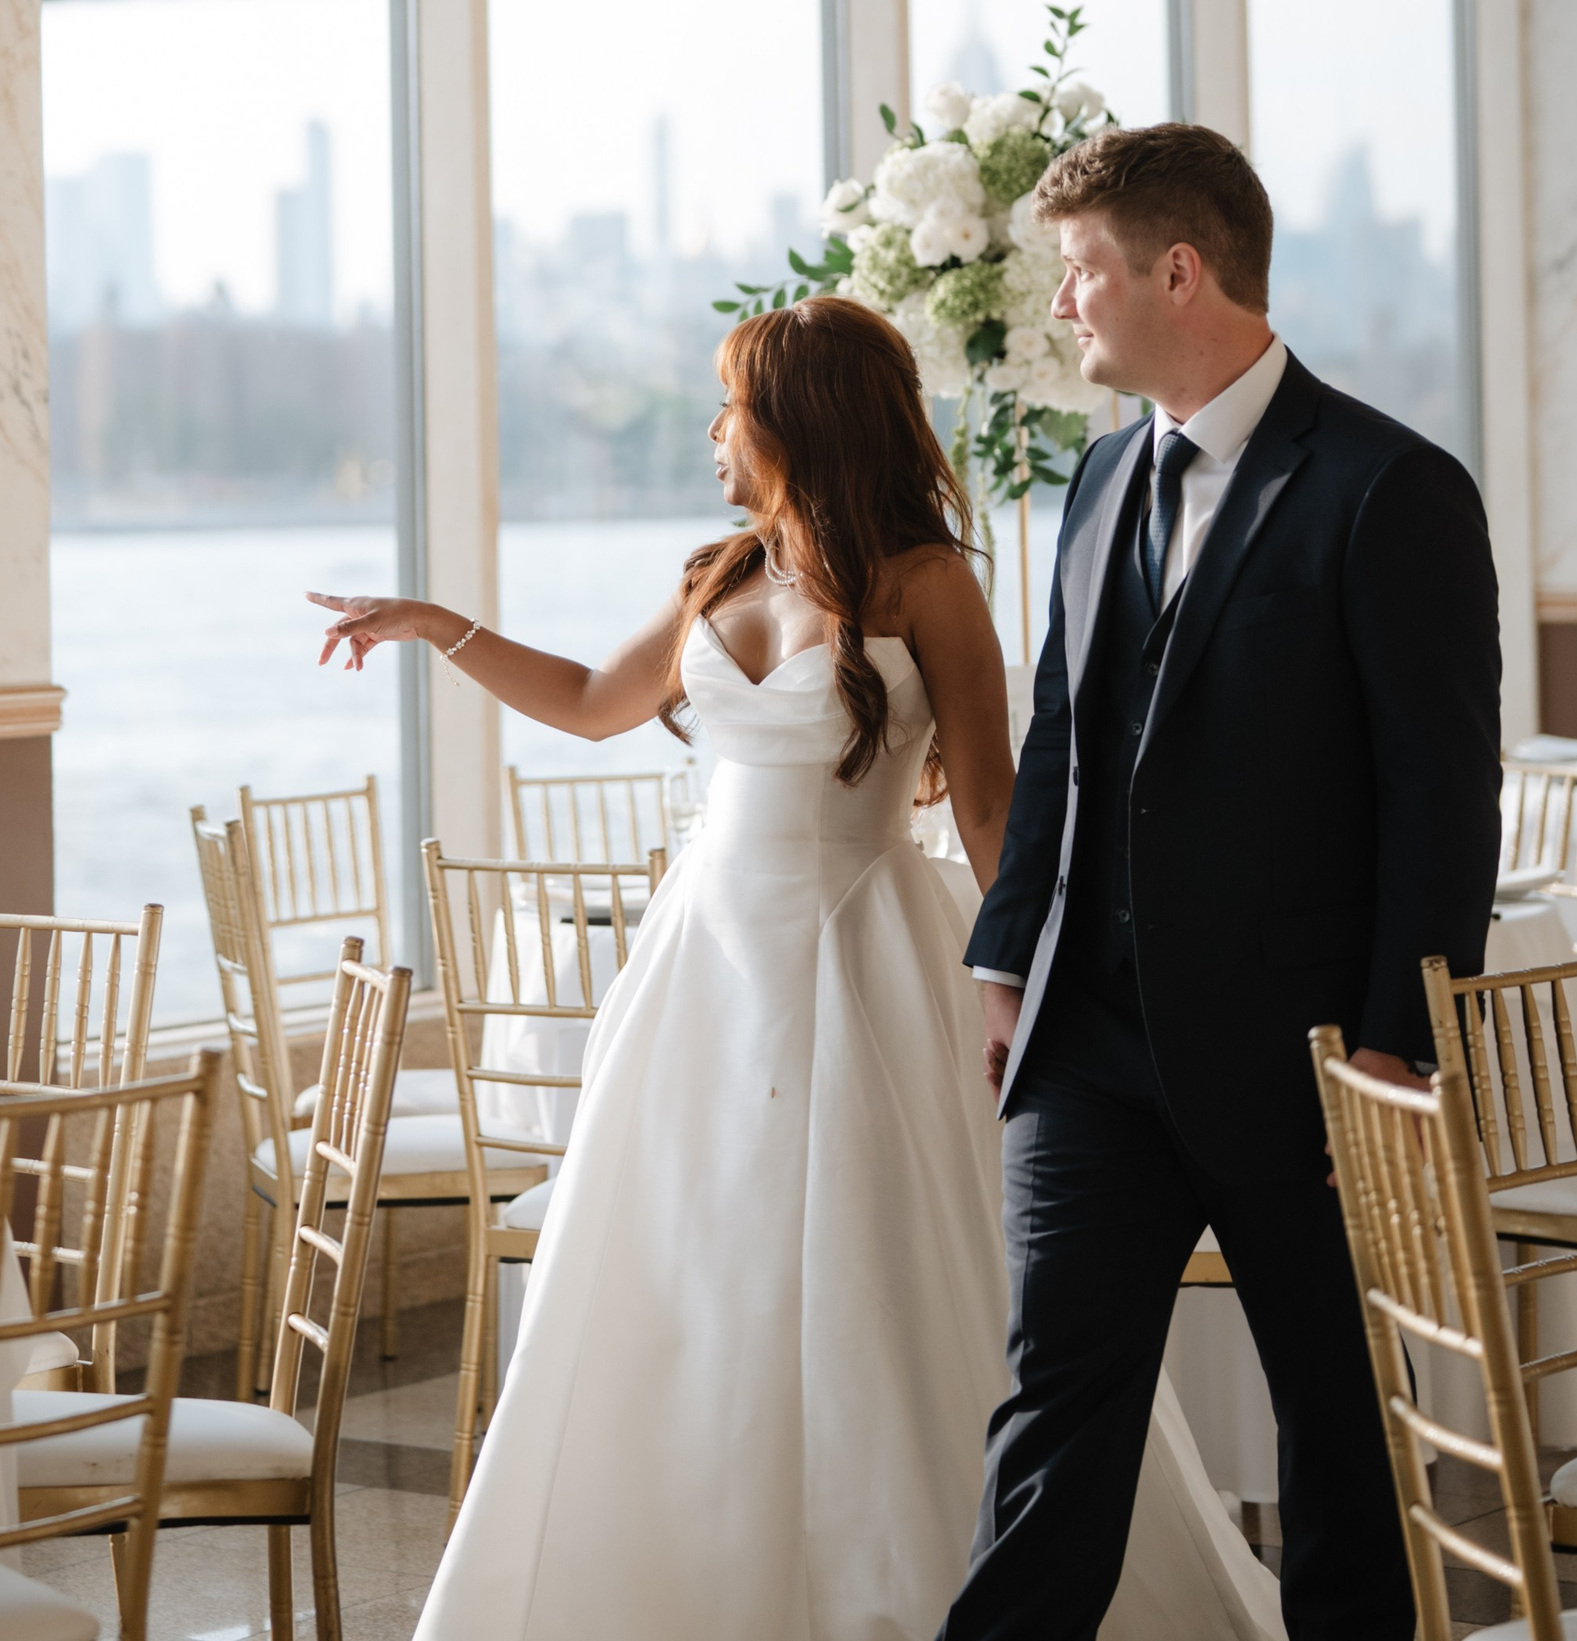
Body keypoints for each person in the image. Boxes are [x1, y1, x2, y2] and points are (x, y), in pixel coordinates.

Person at [311, 293, 1277, 1641]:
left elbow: (993, 805)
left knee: (881, 1279)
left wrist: (1047, 980)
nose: (713, 434)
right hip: (703, 970)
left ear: (797, 418)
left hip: (866, 959)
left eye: (732, 407)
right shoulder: (719, 570)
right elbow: (595, 704)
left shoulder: (931, 580)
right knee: (691, 1275)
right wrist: (436, 625)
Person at [940, 123, 1501, 1641]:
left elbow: (1443, 802)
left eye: (1080, 274)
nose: (1065, 308)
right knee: (1052, 1416)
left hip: (1310, 1065)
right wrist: (1010, 963)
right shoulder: (1102, 476)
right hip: (1091, 1057)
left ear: (1176, 272)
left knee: (1338, 1430)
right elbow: (1063, 738)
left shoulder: (1394, 491)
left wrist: (1390, 1051)